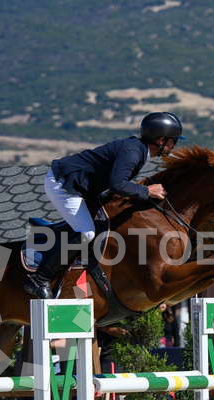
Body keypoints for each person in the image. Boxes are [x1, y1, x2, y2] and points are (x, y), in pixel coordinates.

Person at [24, 112, 184, 299]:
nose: (174, 146)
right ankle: (39, 279)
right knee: (86, 232)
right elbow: (118, 184)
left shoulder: (138, 150)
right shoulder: (133, 152)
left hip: (85, 187)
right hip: (64, 183)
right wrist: (147, 191)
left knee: (103, 223)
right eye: (173, 141)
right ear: (160, 140)